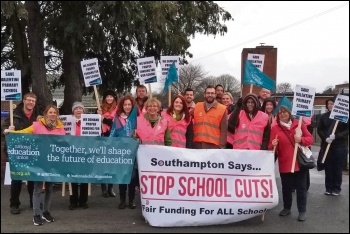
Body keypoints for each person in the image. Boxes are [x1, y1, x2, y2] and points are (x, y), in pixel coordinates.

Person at [4, 104, 66, 225]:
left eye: (55, 113)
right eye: (50, 112)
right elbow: (23, 133)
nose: (53, 114)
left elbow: (63, 144)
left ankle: (46, 212)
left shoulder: (61, 128)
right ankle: (36, 214)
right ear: (46, 114)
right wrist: (10, 132)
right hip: (39, 162)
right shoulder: (37, 125)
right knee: (38, 189)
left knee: (49, 189)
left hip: (52, 163)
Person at [269, 105, 314, 221]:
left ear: (289, 113)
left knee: (301, 188)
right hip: (285, 163)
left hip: (299, 163)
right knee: (286, 188)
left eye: (284, 112)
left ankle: (302, 211)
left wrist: (301, 140)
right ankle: (287, 208)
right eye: (280, 113)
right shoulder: (275, 128)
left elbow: (310, 139)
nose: (283, 114)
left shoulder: (299, 124)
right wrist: (273, 145)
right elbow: (270, 147)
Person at [1, 92, 39, 215]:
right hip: (16, 150)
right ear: (23, 101)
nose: (31, 102)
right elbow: (3, 128)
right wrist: (6, 130)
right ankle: (14, 204)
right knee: (17, 178)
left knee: (32, 178)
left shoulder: (38, 116)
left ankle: (34, 202)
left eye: (33, 100)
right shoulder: (15, 114)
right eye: (28, 100)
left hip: (32, 150)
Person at [109, 96, 138, 209]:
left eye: (129, 105)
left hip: (133, 151)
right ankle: (122, 200)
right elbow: (113, 133)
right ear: (122, 106)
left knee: (132, 177)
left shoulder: (136, 118)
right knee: (122, 176)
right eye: (125, 104)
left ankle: (131, 200)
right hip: (121, 151)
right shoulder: (117, 118)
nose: (127, 107)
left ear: (132, 106)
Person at [317, 97, 349, 196]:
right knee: (328, 167)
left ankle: (336, 188)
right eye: (329, 104)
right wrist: (325, 138)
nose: (330, 105)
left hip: (339, 146)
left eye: (332, 103)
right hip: (327, 145)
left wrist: (337, 136)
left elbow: (347, 130)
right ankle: (329, 188)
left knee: (337, 168)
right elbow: (319, 129)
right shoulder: (324, 116)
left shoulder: (343, 117)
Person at [97, 90, 118, 198]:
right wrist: (98, 117)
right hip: (103, 136)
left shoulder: (117, 109)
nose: (109, 98)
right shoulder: (100, 108)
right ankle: (103, 188)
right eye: (107, 96)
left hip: (113, 137)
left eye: (111, 96)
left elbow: (115, 124)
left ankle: (110, 187)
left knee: (112, 163)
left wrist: (104, 119)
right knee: (103, 163)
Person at [193, 85, 227, 149]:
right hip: (197, 145)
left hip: (213, 146)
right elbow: (186, 117)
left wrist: (222, 147)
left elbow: (224, 130)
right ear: (204, 94)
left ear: (215, 95)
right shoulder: (197, 106)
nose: (210, 95)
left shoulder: (222, 109)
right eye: (208, 93)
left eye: (212, 93)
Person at [68, 102, 88, 210]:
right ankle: (73, 201)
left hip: (85, 152)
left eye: (81, 108)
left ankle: (83, 201)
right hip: (72, 152)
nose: (79, 110)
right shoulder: (67, 122)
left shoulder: (89, 122)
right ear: (73, 111)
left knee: (85, 177)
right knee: (73, 177)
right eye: (76, 108)